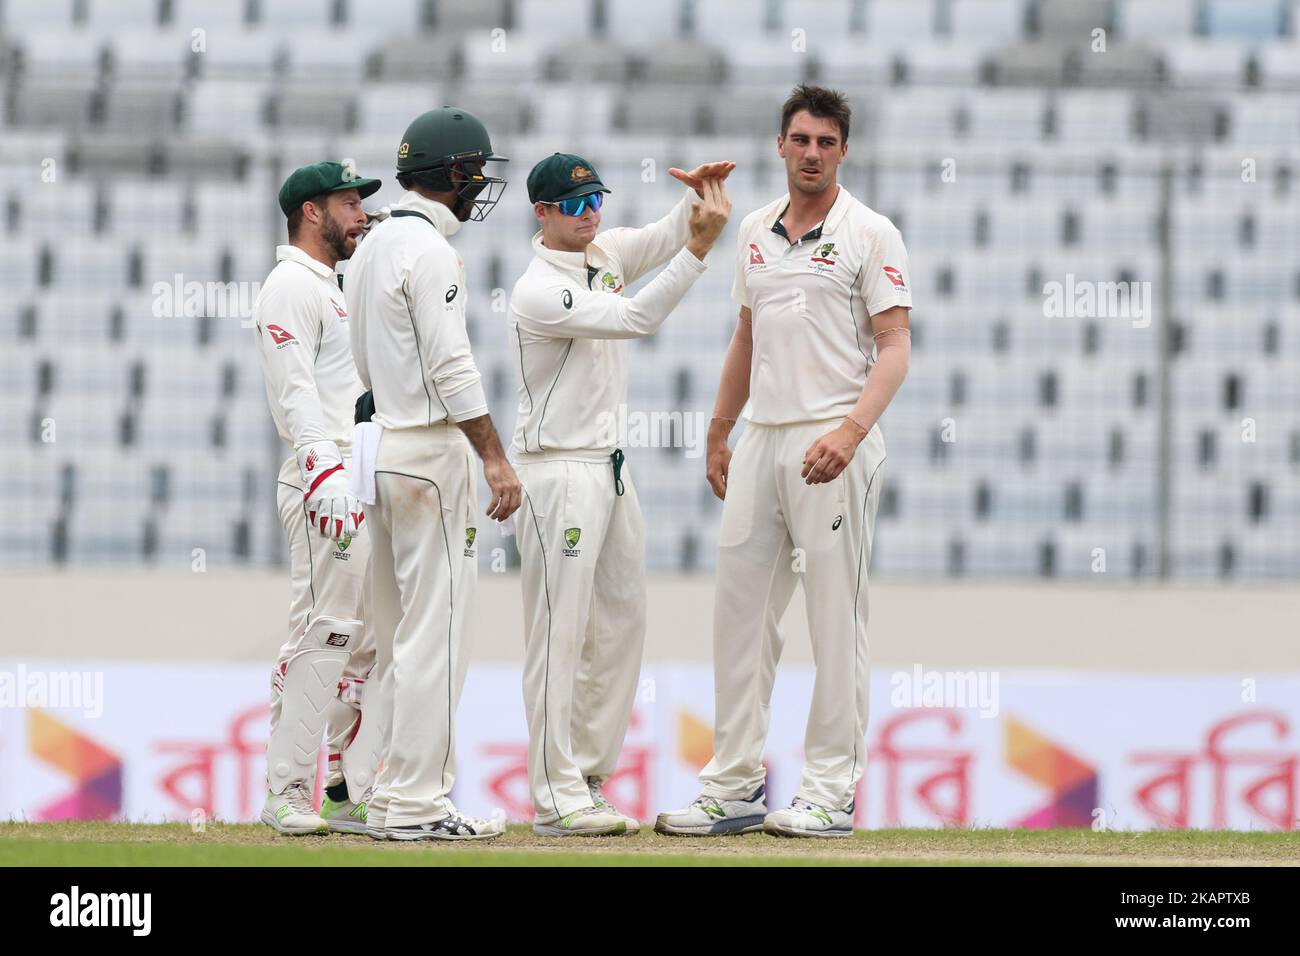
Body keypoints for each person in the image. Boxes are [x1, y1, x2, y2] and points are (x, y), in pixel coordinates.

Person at [656, 85, 913, 838]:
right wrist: (717, 431)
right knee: (738, 621)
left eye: (826, 142)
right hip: (762, 438)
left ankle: (830, 790)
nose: (811, 153)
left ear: (842, 150)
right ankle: (733, 787)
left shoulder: (870, 232)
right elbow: (746, 335)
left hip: (831, 440)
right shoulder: (756, 230)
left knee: (836, 623)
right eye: (800, 139)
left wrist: (853, 431)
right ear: (780, 144)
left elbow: (895, 348)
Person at [508, 152, 733, 835]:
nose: (590, 215)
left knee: (619, 627)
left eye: (595, 201)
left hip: (608, 468)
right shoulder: (538, 288)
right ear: (542, 213)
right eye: (573, 207)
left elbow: (665, 234)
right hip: (557, 471)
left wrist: (699, 200)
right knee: (561, 635)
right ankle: (553, 796)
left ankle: (585, 779)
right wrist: (696, 257)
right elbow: (635, 318)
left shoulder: (602, 252)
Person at [346, 107, 521, 841]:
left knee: (399, 634)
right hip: (426, 453)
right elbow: (451, 363)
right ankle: (419, 802)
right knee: (438, 636)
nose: (480, 183)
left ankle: (391, 795)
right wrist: (492, 455)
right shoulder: (428, 251)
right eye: (474, 170)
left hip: (383, 447)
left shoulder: (374, 244)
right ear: (453, 174)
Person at [252, 160, 385, 835]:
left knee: (360, 643)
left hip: (349, 474)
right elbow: (293, 390)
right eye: (349, 203)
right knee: (320, 631)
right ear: (311, 211)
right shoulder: (288, 287)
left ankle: (340, 789)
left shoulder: (331, 286)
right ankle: (286, 790)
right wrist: (322, 472)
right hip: (321, 481)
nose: (361, 214)